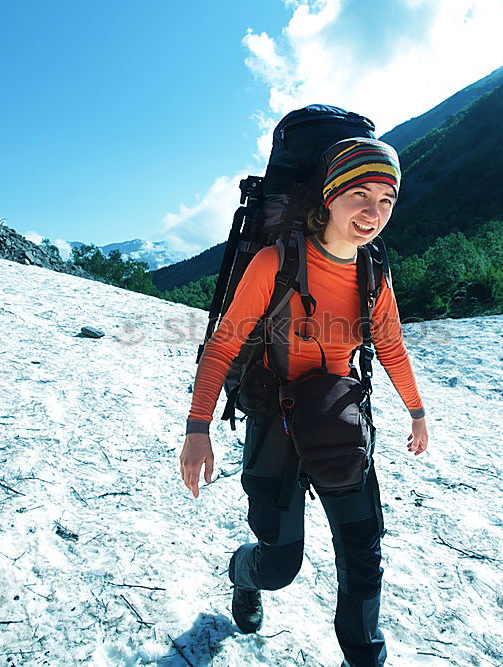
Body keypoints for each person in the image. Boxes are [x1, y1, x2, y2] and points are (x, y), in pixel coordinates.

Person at [179, 137, 429, 666]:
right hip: (277, 419)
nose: (372, 212)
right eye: (360, 194)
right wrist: (197, 427)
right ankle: (243, 576)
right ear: (329, 198)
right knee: (279, 565)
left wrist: (417, 411)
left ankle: (364, 659)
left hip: (339, 417)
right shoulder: (277, 262)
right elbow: (224, 344)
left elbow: (392, 348)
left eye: (386, 200)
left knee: (363, 555)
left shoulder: (373, 275)